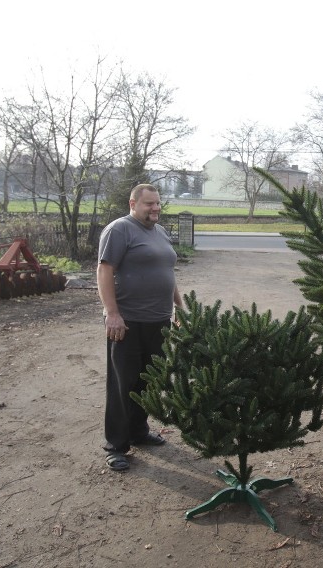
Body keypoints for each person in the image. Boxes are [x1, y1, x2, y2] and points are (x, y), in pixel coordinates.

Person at [97, 184, 183, 471]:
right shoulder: (119, 229)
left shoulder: (159, 232)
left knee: (149, 381)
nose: (155, 208)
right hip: (128, 323)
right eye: (149, 204)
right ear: (133, 203)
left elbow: (167, 273)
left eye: (157, 203)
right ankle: (116, 446)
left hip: (159, 321)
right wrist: (112, 313)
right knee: (123, 385)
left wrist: (180, 307)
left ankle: (139, 432)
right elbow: (104, 270)